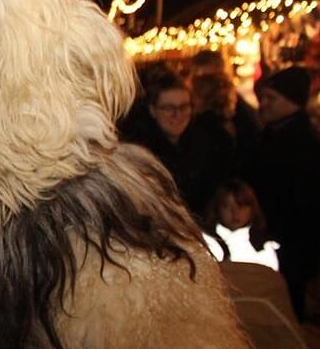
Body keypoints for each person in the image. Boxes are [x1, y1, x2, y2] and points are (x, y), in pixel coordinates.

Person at [250, 65, 320, 320]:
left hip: (290, 243)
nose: (263, 104)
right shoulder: (272, 133)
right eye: (263, 97)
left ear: (292, 102)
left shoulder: (304, 145)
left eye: (272, 98)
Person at [125, 73, 226, 218]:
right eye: (168, 108)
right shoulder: (140, 152)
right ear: (153, 110)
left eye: (184, 107)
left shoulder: (204, 143)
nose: (177, 114)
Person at [201, 179, 279, 271]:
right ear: (217, 208)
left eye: (241, 206)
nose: (235, 212)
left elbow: (271, 280)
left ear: (251, 208)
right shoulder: (206, 239)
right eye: (227, 206)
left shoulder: (264, 245)